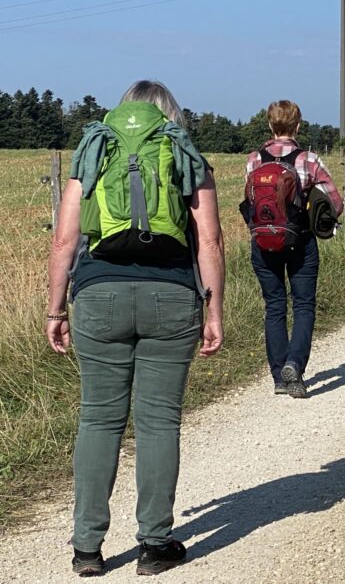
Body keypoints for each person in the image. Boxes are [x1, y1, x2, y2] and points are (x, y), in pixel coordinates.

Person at [46, 80, 225, 577]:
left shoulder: (94, 151)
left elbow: (64, 241)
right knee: (158, 422)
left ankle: (86, 547)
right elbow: (210, 242)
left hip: (99, 297)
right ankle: (154, 543)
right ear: (169, 116)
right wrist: (214, 313)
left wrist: (55, 310)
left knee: (98, 420)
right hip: (172, 300)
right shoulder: (187, 155)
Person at [244, 100, 343, 399]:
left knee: (274, 307)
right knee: (303, 307)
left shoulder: (253, 160)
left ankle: (278, 377)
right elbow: (336, 203)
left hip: (262, 243)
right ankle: (295, 365)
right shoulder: (309, 160)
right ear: (298, 126)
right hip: (300, 241)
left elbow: (250, 201)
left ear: (270, 125)